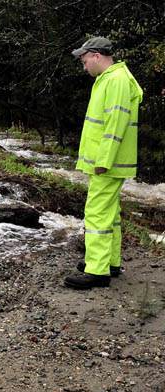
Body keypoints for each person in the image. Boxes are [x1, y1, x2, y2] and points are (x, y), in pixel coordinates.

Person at [64, 37, 143, 290]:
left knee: (96, 212)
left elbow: (115, 124)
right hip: (108, 162)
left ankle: (97, 271)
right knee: (110, 213)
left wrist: (104, 161)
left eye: (85, 60)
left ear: (97, 55)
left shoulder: (116, 80)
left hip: (107, 163)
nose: (83, 66)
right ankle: (109, 263)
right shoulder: (109, 79)